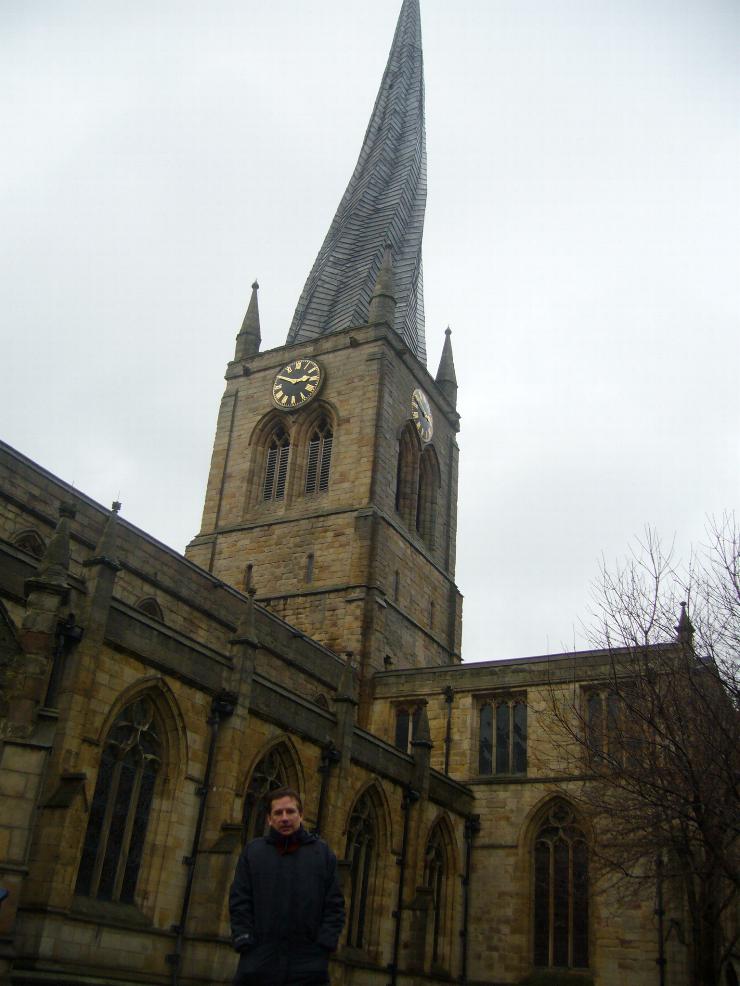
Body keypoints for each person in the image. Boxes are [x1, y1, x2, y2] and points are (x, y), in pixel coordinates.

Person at [229, 787, 345, 986]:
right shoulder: (253, 852)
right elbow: (240, 899)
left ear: (301, 815)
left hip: (308, 966)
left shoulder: (322, 854)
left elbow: (334, 905)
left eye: (290, 811)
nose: (284, 818)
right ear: (269, 819)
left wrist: (324, 945)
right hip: (258, 962)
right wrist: (243, 938)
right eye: (278, 813)